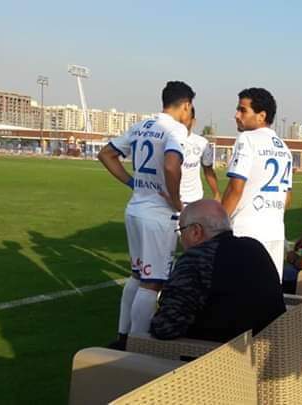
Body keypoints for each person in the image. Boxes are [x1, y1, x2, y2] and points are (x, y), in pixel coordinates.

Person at [98, 81, 194, 349]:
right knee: (152, 283)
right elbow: (172, 166)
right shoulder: (175, 129)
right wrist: (176, 201)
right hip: (157, 215)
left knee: (137, 276)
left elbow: (106, 154)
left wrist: (132, 183)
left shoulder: (141, 125)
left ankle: (123, 336)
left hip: (135, 208)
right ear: (186, 105)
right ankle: (138, 346)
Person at [150, 200, 285, 342]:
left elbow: (165, 327)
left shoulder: (197, 258)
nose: (180, 239)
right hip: (275, 346)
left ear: (196, 231)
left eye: (181, 231)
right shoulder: (254, 246)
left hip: (217, 351)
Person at [221, 88, 292, 281]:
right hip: (275, 231)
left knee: (237, 290)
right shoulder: (284, 148)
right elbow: (287, 196)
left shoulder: (247, 139)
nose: (236, 115)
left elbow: (235, 188)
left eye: (242, 110)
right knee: (268, 290)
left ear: (261, 116)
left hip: (246, 231)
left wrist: (216, 225)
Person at [180, 107, 221, 204]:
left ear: (193, 121)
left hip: (194, 199)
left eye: (185, 119)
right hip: (171, 201)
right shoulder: (166, 140)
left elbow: (208, 170)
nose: (181, 123)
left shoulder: (202, 143)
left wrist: (216, 194)